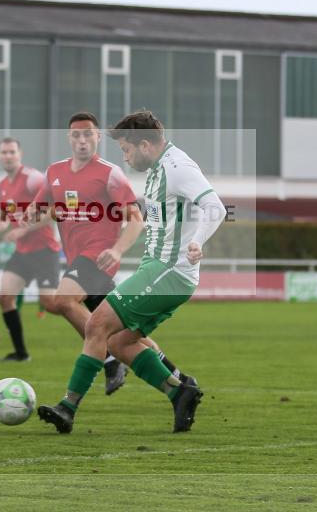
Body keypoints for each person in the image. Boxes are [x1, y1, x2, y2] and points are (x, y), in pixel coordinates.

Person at [38, 110, 226, 434]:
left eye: (126, 149)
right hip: (159, 272)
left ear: (144, 144)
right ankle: (179, 391)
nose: (124, 157)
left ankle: (68, 407)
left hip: (169, 271)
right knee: (118, 343)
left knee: (96, 323)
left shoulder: (177, 168)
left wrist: (197, 241)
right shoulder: (157, 169)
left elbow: (216, 207)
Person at [31, 111, 191, 397]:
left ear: (98, 137)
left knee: (64, 300)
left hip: (98, 257)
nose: (82, 140)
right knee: (120, 332)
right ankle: (178, 376)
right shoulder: (54, 172)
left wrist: (116, 250)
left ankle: (108, 361)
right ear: (69, 138)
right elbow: (41, 210)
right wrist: (25, 216)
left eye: (88, 134)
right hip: (77, 258)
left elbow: (136, 219)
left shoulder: (109, 173)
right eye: (76, 135)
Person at [0, 137, 61, 362]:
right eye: (4, 152)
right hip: (22, 253)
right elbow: (7, 216)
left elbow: (54, 211)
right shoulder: (3, 185)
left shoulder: (33, 179)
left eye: (12, 152)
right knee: (5, 297)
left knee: (53, 304)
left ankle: (91, 312)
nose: (8, 156)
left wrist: (24, 230)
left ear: (20, 154)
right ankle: (20, 353)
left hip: (44, 251)